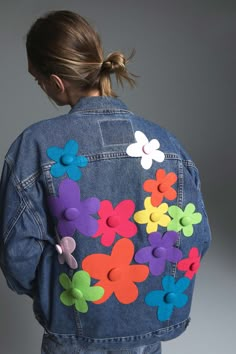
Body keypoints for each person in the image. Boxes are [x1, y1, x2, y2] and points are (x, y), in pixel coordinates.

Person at [0, 10, 211, 354]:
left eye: (37, 79)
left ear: (55, 82)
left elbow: (17, 254)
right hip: (146, 336)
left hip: (72, 331)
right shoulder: (166, 145)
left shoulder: (34, 147)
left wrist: (59, 295)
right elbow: (195, 237)